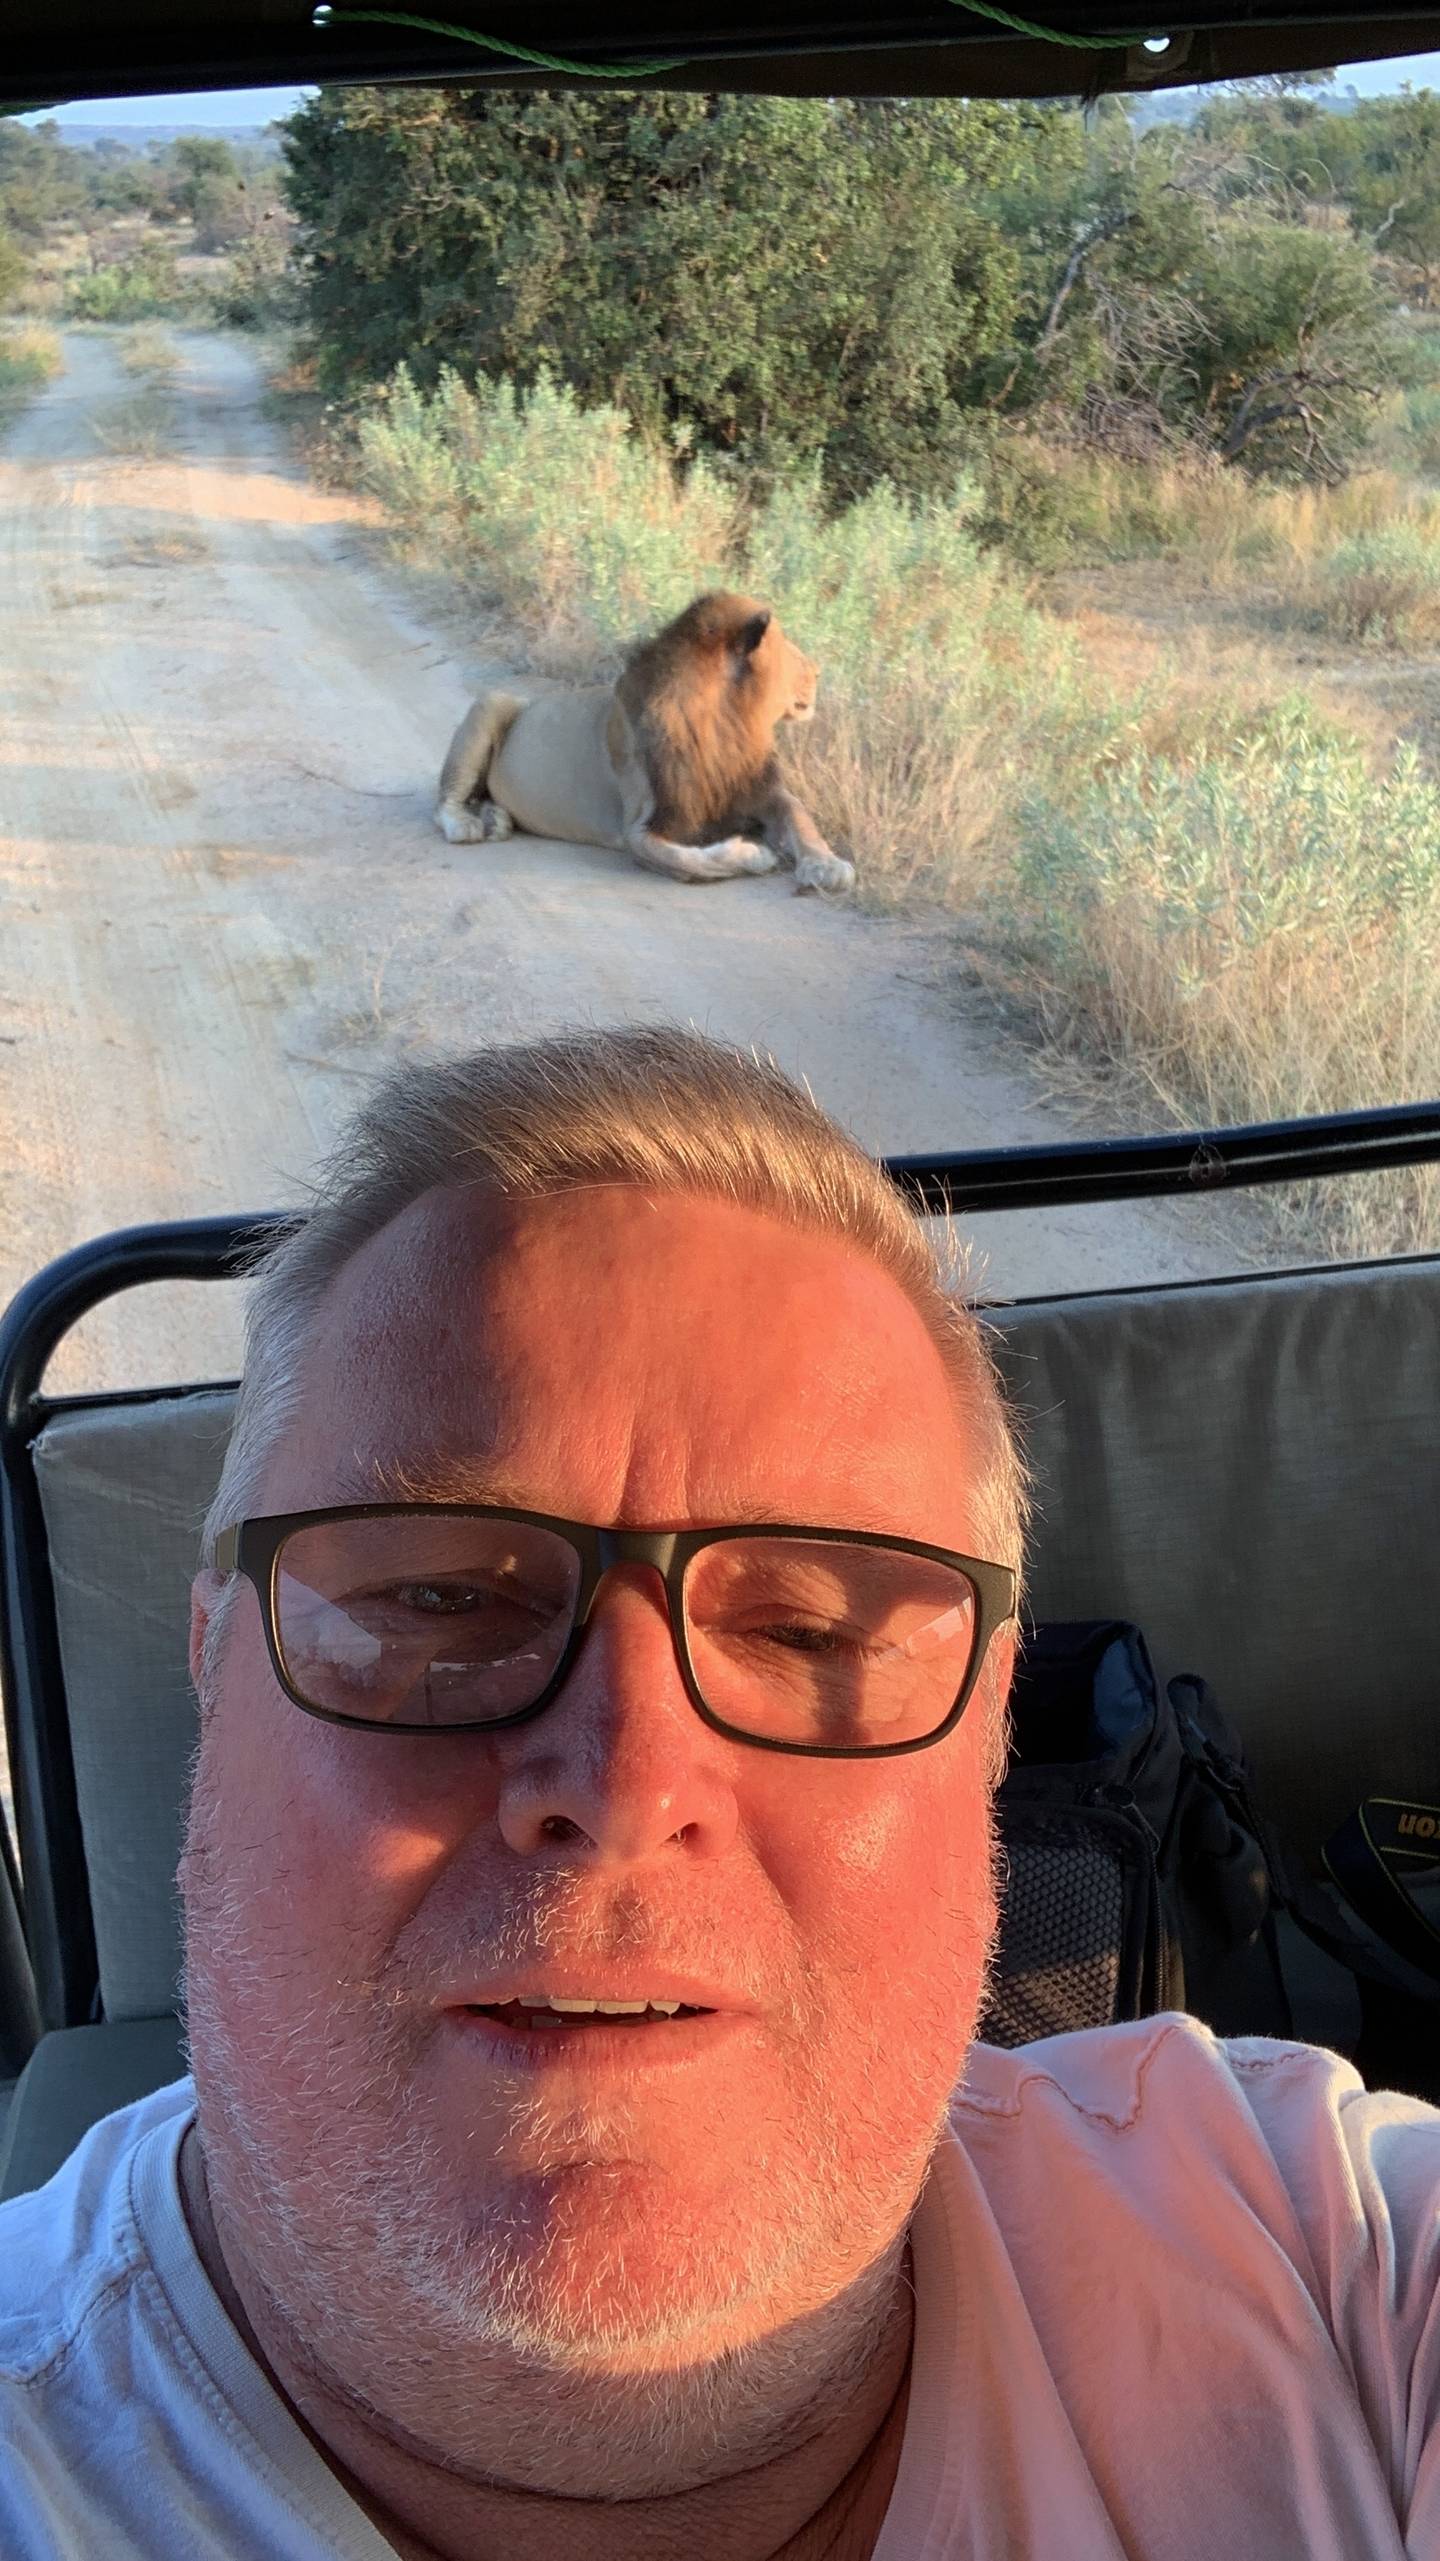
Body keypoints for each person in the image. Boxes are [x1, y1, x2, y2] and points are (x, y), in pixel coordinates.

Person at [1, 1026, 1437, 2561]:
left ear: (990, 1732)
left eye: (807, 1630)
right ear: (215, 1668)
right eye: (438, 1599)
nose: (628, 1781)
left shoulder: (1330, 2259)